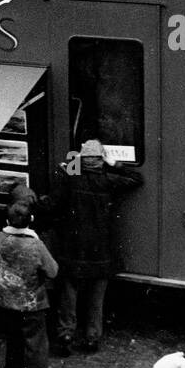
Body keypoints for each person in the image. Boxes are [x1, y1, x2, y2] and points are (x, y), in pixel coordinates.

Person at [48, 138, 143, 354]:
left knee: (68, 294)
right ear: (100, 160)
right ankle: (92, 339)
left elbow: (53, 203)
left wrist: (63, 172)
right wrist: (115, 164)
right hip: (101, 251)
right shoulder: (108, 180)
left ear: (81, 159)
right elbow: (136, 178)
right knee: (96, 298)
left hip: (73, 248)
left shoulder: (71, 180)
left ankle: (65, 336)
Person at [0, 202, 58, 368]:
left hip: (5, 301)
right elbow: (52, 271)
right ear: (31, 220)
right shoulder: (36, 244)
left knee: (13, 338)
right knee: (36, 344)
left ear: (7, 220)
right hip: (33, 303)